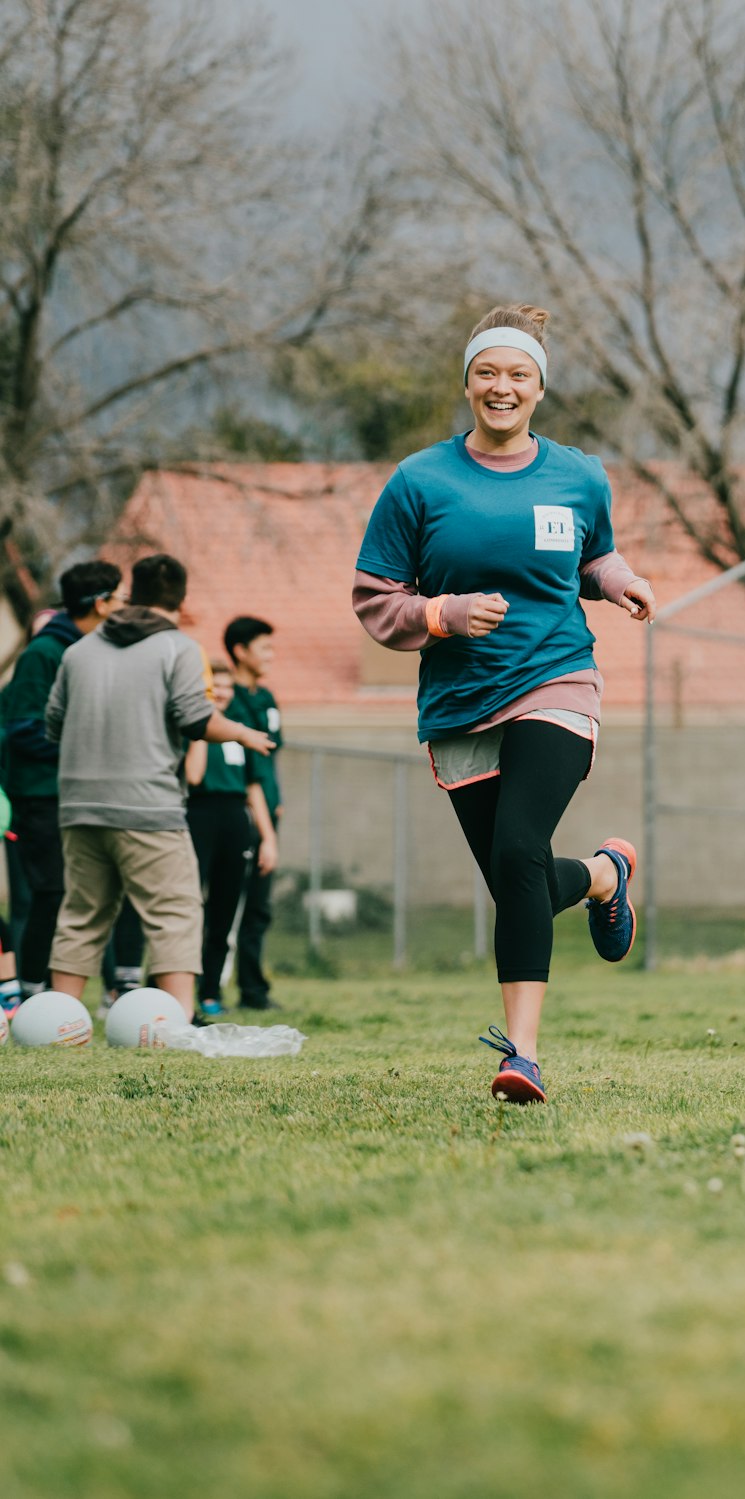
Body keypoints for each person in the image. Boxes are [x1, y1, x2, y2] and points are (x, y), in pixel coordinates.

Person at [353, 303, 656, 1103]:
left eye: (518, 374)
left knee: (521, 845)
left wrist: (622, 584)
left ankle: (522, 1053)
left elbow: (592, 555)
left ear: (540, 388)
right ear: (466, 383)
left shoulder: (579, 474)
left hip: (555, 677)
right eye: (487, 371)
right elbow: (374, 596)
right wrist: (439, 615)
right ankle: (601, 876)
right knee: (513, 876)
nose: (502, 386)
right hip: (458, 701)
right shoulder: (420, 481)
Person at [45, 554, 274, 1020]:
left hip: (79, 806)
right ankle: (178, 1021)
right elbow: (194, 718)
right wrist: (242, 732)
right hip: (147, 808)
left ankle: (58, 1020)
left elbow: (54, 724)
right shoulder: (178, 648)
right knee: (175, 912)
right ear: (181, 600)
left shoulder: (79, 650)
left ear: (133, 594)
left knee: (81, 916)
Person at [2, 562, 127, 997]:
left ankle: (69, 993)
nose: (124, 608)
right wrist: (85, 748)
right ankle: (32, 993)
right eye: (121, 600)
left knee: (84, 897)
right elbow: (21, 727)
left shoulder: (91, 650)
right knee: (51, 893)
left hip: (79, 795)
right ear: (100, 603)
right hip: (42, 797)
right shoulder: (46, 653)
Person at [185, 659, 278, 1017]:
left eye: (224, 687)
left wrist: (268, 839)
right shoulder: (190, 729)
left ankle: (210, 992)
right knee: (189, 908)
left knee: (224, 912)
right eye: (213, 688)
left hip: (235, 819)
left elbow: (254, 787)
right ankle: (171, 986)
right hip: (198, 815)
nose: (220, 694)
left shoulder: (240, 730)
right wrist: (201, 726)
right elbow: (192, 776)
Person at [224, 617, 282, 1012]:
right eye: (264, 647)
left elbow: (271, 756)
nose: (270, 656)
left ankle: (252, 987)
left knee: (259, 906)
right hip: (238, 815)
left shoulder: (267, 699)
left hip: (268, 813)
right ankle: (210, 990)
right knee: (227, 904)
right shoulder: (226, 700)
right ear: (240, 651)